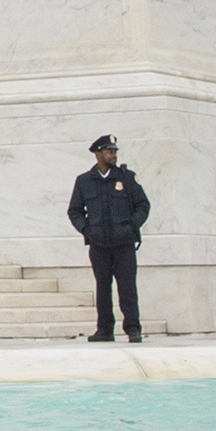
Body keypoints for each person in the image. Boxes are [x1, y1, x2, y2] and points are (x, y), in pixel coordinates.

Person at [67, 135, 151, 344]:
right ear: (98, 154)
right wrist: (87, 229)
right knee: (102, 288)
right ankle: (104, 329)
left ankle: (133, 328)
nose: (113, 155)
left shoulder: (127, 178)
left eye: (115, 151)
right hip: (99, 244)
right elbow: (74, 211)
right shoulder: (84, 181)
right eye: (109, 151)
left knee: (127, 288)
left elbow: (143, 205)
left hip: (123, 243)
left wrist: (132, 226)